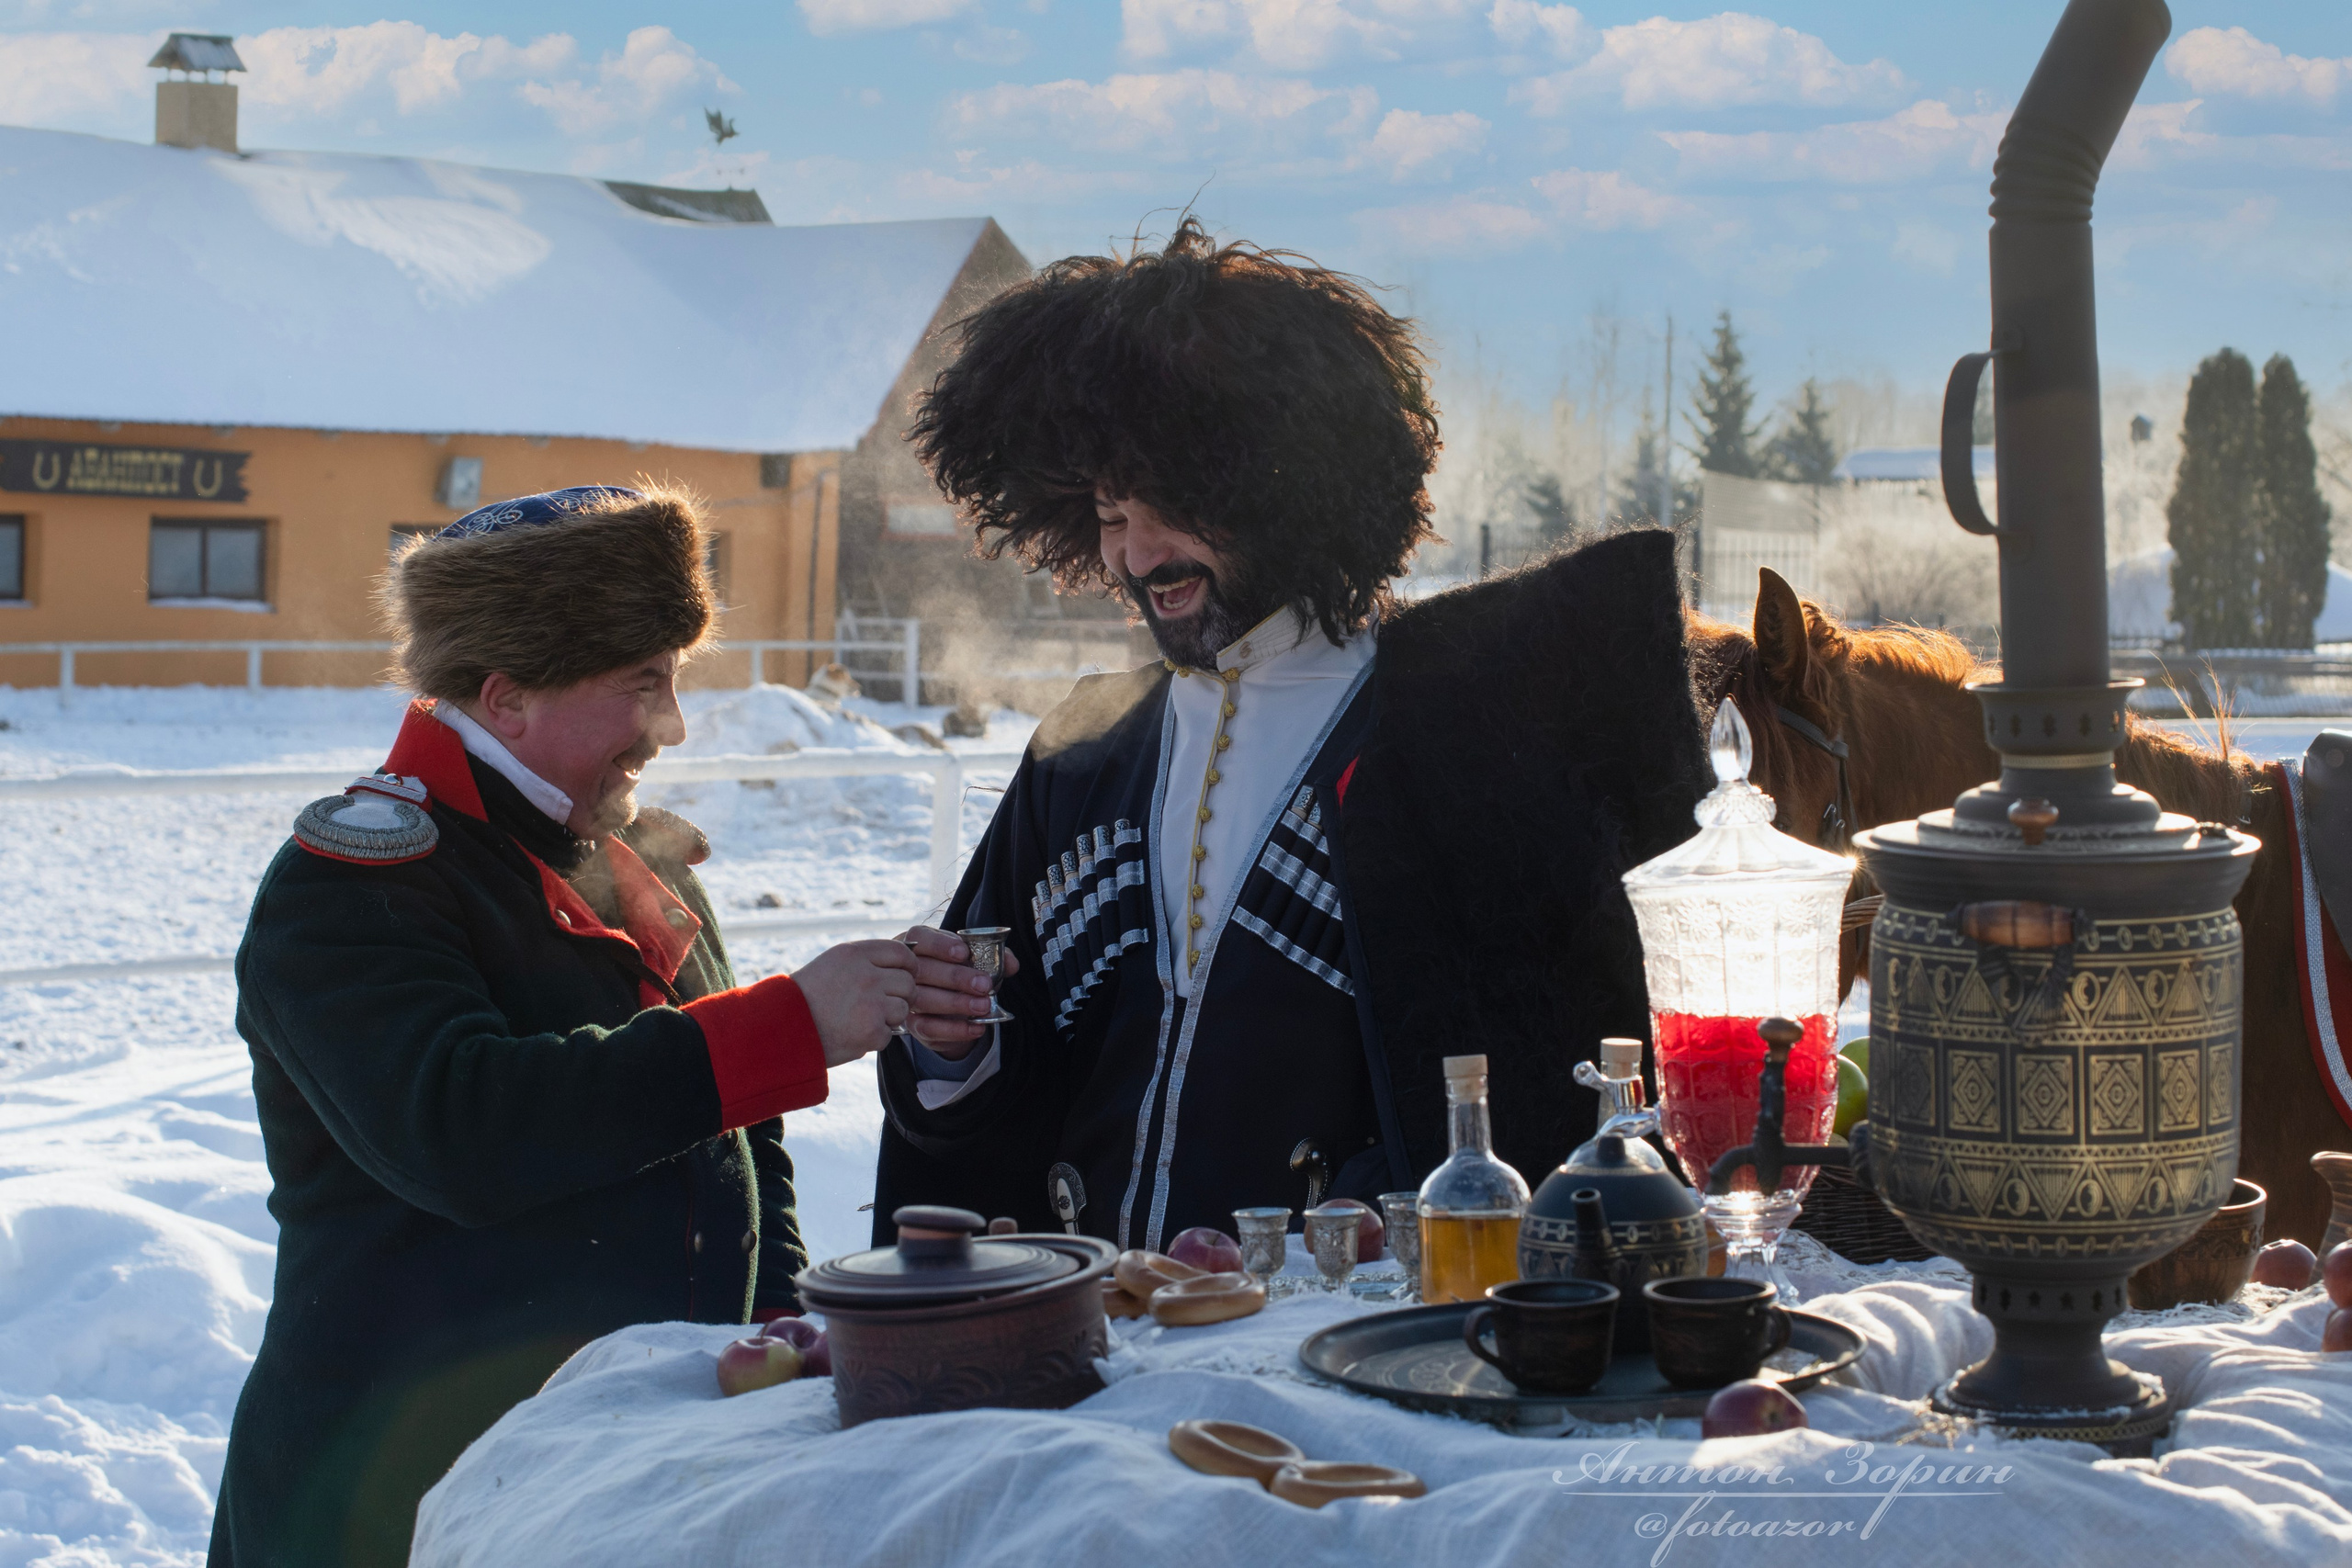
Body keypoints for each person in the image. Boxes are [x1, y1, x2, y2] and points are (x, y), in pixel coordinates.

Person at [876, 221, 1712, 1247]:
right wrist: (954, 1047)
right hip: (1093, 1320)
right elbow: (997, 1099)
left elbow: (1538, 1080)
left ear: (1283, 485)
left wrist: (1373, 1208)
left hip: (1338, 1325)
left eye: (1171, 504)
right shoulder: (1081, 756)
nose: (1138, 554)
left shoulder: (1453, 740)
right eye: (1109, 513)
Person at [209, 484, 989, 1568]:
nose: (672, 726)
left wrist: (773, 1347)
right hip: (396, 1494)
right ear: (507, 696)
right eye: (642, 684)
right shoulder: (350, 882)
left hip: (627, 1483)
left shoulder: (635, 864)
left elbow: (741, 1151)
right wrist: (791, 1025)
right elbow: (460, 1132)